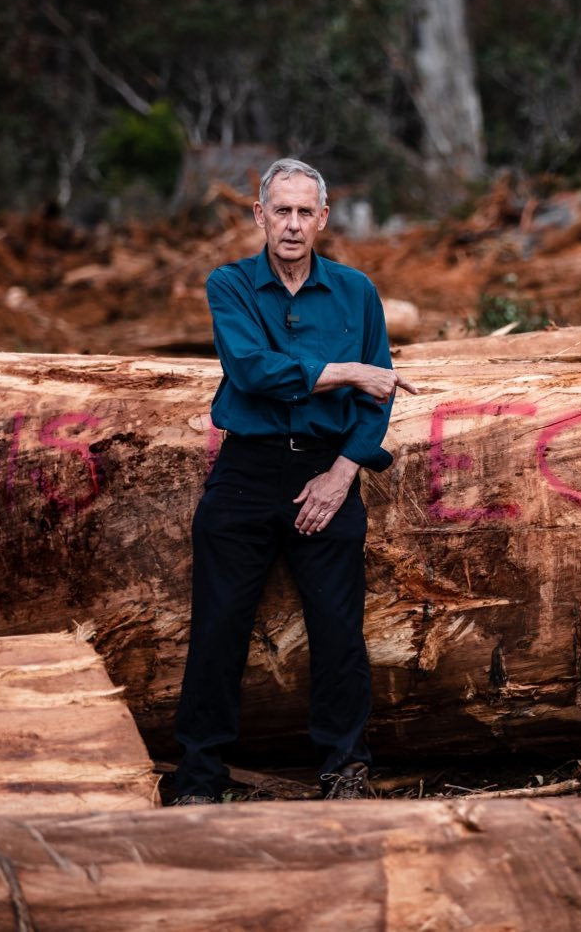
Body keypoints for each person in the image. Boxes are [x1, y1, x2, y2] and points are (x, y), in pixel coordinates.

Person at [172, 158, 416, 803]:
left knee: (338, 632)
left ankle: (344, 770)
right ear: (259, 215)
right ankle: (200, 779)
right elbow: (255, 372)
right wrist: (350, 371)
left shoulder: (356, 291)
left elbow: (381, 394)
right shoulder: (230, 286)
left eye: (305, 212)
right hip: (246, 473)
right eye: (281, 210)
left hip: (326, 465)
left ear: (323, 219)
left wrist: (342, 473)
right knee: (218, 629)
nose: (292, 224)